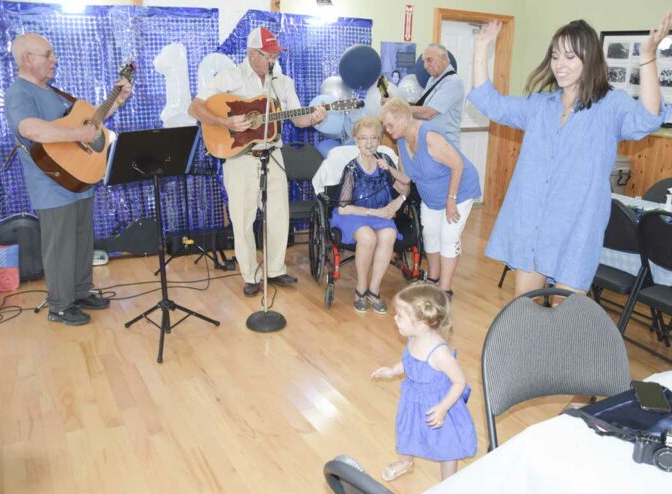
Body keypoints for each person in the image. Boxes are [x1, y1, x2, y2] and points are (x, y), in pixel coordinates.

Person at [466, 14, 672, 297]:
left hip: (577, 226)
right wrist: (482, 48)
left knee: (564, 314)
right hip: (533, 222)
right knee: (523, 308)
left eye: (569, 57)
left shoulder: (610, 106)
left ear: (588, 59)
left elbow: (649, 117)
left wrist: (648, 57)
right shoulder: (541, 105)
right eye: (555, 57)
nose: (560, 65)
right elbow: (490, 103)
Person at [188, 26, 327, 297]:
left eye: (275, 55)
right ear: (252, 54)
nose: (273, 60)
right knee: (243, 219)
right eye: (268, 55)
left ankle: (275, 270)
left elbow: (298, 119)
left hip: (273, 154)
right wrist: (225, 121)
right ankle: (250, 275)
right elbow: (195, 107)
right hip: (240, 157)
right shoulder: (230, 76)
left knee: (278, 215)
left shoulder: (283, 82)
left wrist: (314, 118)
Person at [5, 33, 132, 326]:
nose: (54, 59)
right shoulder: (19, 93)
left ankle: (80, 291)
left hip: (77, 180)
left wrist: (118, 100)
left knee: (80, 242)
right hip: (50, 186)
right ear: (28, 58)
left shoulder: (51, 91)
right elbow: (31, 129)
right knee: (60, 246)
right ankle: (60, 306)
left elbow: (90, 122)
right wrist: (78, 134)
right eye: (48, 55)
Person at [371, 283, 477, 481]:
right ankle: (405, 462)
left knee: (447, 443)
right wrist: (394, 370)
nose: (395, 318)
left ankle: (449, 481)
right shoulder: (414, 337)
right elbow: (409, 361)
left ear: (421, 323)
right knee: (407, 430)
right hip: (413, 399)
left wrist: (443, 408)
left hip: (438, 403)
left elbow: (459, 382)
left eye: (400, 316)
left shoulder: (440, 354)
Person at [380, 98, 481, 297]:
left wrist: (451, 200)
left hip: (459, 191)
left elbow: (457, 165)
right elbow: (407, 178)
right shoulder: (400, 141)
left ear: (403, 119)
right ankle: (432, 278)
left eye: (390, 125)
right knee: (430, 236)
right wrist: (387, 171)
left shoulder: (430, 137)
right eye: (385, 126)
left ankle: (445, 289)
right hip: (432, 197)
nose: (387, 130)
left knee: (449, 238)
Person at [330, 117, 409, 314]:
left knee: (389, 235)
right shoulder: (351, 169)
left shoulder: (385, 162)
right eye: (363, 138)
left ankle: (374, 291)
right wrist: (377, 212)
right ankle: (361, 289)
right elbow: (343, 208)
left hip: (381, 214)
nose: (369, 143)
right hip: (354, 215)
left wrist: (396, 203)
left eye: (374, 137)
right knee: (368, 237)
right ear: (356, 141)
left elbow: (405, 186)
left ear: (380, 140)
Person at [412, 44, 464, 149]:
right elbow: (421, 108)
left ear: (444, 58)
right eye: (424, 62)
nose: (425, 66)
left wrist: (399, 108)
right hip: (430, 143)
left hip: (445, 147)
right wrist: (396, 102)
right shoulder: (433, 80)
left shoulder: (453, 81)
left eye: (429, 60)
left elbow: (427, 113)